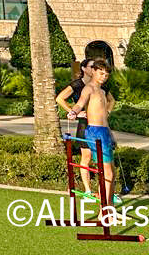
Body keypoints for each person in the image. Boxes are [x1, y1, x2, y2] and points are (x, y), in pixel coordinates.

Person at [68, 59, 118, 205]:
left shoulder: (102, 91)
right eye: (101, 73)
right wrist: (73, 112)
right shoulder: (88, 88)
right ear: (94, 71)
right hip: (94, 132)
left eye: (106, 75)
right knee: (106, 172)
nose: (103, 76)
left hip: (104, 131)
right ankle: (104, 211)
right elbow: (80, 103)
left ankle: (110, 208)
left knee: (111, 172)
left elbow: (104, 117)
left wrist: (111, 134)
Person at [56, 58, 97, 197]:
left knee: (103, 157)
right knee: (87, 156)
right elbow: (59, 98)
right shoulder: (77, 85)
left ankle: (105, 191)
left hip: (99, 125)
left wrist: (107, 111)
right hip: (84, 125)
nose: (95, 69)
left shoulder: (99, 85)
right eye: (92, 67)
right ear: (84, 69)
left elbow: (111, 100)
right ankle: (88, 191)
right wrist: (74, 112)